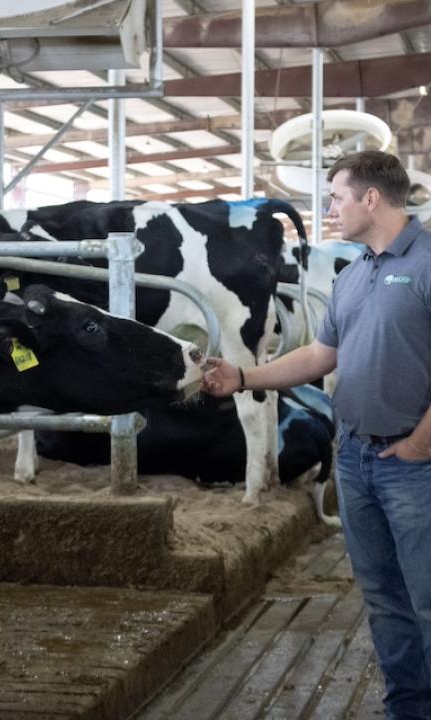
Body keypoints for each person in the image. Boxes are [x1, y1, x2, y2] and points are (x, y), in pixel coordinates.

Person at [202, 150, 431, 720]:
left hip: (416, 463)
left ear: (370, 198)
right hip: (354, 457)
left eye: (336, 197)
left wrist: (424, 442)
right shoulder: (353, 273)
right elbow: (320, 354)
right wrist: (245, 377)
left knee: (429, 599)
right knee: (382, 599)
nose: (330, 209)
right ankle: (408, 709)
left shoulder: (429, 262)